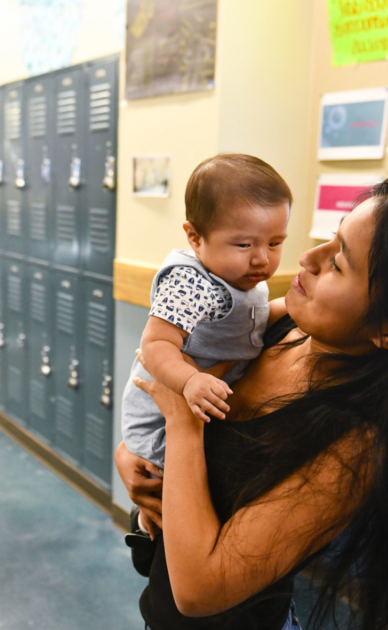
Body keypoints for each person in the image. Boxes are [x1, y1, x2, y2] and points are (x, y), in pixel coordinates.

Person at [116, 173, 388, 630]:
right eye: (332, 239)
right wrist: (131, 459)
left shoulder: (356, 446)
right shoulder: (276, 331)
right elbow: (157, 398)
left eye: (339, 264)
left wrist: (182, 423)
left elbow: (200, 590)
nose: (306, 259)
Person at [121, 154, 291, 553]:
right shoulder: (193, 282)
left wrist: (294, 306)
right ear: (195, 237)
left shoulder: (239, 275)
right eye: (244, 244)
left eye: (275, 243)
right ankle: (153, 532)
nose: (261, 258)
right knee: (172, 493)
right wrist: (191, 379)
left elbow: (255, 320)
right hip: (162, 420)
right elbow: (156, 345)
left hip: (199, 408)